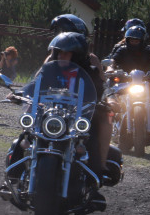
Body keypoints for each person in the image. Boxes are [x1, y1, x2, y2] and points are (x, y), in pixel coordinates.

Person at [46, 14, 116, 183]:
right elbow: (38, 79)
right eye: (60, 33)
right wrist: (22, 93)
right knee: (30, 127)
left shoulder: (91, 59)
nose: (63, 37)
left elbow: (102, 84)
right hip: (54, 106)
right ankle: (18, 165)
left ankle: (101, 166)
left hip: (82, 108)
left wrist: (109, 99)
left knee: (105, 120)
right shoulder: (53, 57)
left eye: (66, 32)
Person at [108, 24, 150, 143]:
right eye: (132, 39)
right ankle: (113, 125)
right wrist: (111, 68)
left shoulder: (148, 49)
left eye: (137, 40)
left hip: (144, 82)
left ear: (142, 40)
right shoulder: (122, 49)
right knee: (113, 99)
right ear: (127, 40)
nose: (134, 42)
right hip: (126, 81)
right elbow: (114, 60)